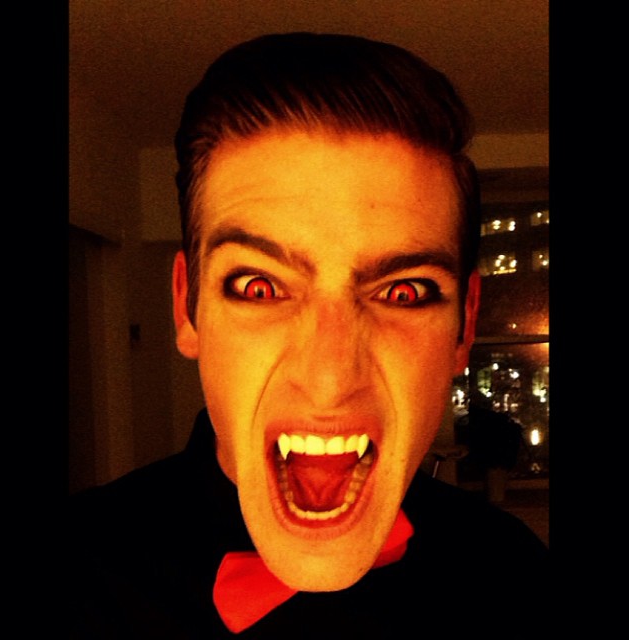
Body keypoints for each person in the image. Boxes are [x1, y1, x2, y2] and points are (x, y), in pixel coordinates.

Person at [68, 32, 549, 638]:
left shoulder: (517, 574)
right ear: (187, 307)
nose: (329, 380)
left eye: (404, 292)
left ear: (465, 326)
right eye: (259, 286)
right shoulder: (67, 576)